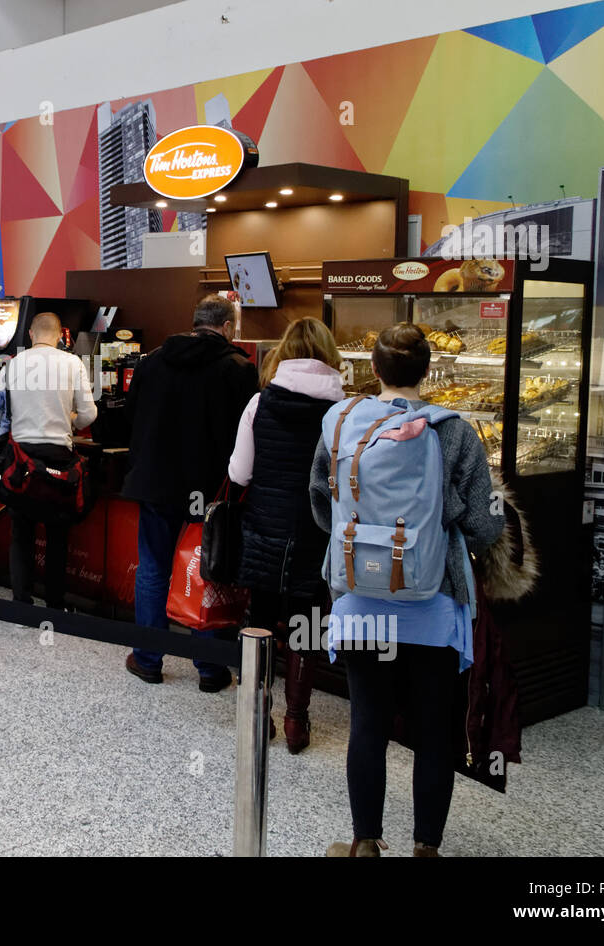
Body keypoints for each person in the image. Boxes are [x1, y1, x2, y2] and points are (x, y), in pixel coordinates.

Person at [310, 322, 503, 858]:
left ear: (372, 370)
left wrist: (367, 544)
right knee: (434, 730)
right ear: (428, 370)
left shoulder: (341, 421)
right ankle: (426, 849)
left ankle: (365, 844)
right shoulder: (455, 432)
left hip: (360, 599)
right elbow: (486, 527)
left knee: (367, 722)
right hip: (433, 602)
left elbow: (321, 505)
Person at [122, 295, 259, 692]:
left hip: (156, 483)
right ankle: (211, 668)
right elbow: (245, 435)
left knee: (153, 570)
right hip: (210, 489)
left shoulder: (152, 362)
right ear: (228, 327)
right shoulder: (238, 370)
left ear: (194, 321)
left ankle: (148, 658)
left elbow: (131, 416)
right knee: (209, 572)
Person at [228, 317, 345, 753]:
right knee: (307, 626)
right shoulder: (340, 414)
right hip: (315, 535)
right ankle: (297, 721)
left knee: (259, 622)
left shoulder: (260, 403)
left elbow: (240, 473)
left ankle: (259, 717)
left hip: (263, 530)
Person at [0, 312, 97, 609]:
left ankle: (20, 601)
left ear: (30, 334)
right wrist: (71, 418)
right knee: (57, 533)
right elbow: (89, 414)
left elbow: (3, 406)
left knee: (21, 532)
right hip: (58, 459)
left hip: (21, 458)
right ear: (59, 334)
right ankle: (55, 602)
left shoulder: (12, 365)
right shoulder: (72, 363)